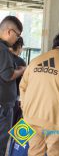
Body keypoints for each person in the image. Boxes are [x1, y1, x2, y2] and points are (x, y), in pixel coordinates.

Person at [0, 16, 26, 156]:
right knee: (2, 142)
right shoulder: (4, 51)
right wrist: (23, 70)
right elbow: (8, 75)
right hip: (4, 106)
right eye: (17, 35)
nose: (16, 38)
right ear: (10, 32)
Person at [9, 37, 26, 125]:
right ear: (19, 47)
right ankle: (13, 139)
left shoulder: (4, 57)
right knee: (15, 124)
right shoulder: (21, 62)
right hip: (15, 98)